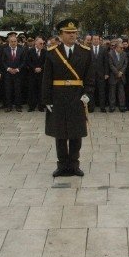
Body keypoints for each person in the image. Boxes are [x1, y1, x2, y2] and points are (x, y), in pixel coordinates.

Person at [42, 18, 95, 177]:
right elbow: (47, 78)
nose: (72, 35)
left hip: (77, 97)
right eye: (68, 33)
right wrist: (47, 100)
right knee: (60, 134)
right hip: (58, 97)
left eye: (74, 33)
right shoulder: (52, 53)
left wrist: (88, 94)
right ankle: (61, 165)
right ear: (60, 35)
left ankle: (74, 164)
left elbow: (90, 77)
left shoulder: (85, 52)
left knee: (75, 133)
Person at [0, 34, 26, 112]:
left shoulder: (21, 50)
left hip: (18, 74)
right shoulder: (5, 50)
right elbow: (3, 61)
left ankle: (18, 106)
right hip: (8, 74)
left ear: (17, 42)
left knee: (18, 90)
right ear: (9, 42)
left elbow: (23, 61)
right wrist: (8, 69)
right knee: (8, 90)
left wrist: (17, 69)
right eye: (12, 41)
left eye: (15, 41)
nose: (13, 43)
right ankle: (9, 106)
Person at [89, 35, 109, 112]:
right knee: (91, 91)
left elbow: (106, 62)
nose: (96, 40)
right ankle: (91, 107)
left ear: (99, 40)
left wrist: (106, 73)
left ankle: (102, 107)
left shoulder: (104, 49)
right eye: (94, 39)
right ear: (92, 40)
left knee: (102, 91)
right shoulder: (88, 49)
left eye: (97, 39)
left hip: (101, 74)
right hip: (91, 74)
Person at [26, 37, 46, 112]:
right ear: (36, 43)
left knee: (41, 90)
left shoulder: (45, 51)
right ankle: (32, 106)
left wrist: (41, 68)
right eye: (40, 43)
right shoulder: (30, 51)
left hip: (41, 74)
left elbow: (46, 62)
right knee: (32, 90)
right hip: (32, 74)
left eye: (43, 43)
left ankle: (40, 106)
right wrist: (34, 68)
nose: (42, 45)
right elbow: (28, 61)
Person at [108, 38, 127, 112]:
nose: (122, 49)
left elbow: (125, 64)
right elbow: (111, 65)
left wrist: (121, 72)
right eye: (121, 47)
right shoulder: (110, 54)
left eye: (123, 47)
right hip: (113, 76)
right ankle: (112, 107)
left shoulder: (124, 54)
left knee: (121, 92)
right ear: (116, 48)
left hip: (121, 76)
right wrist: (117, 72)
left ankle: (122, 106)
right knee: (112, 93)